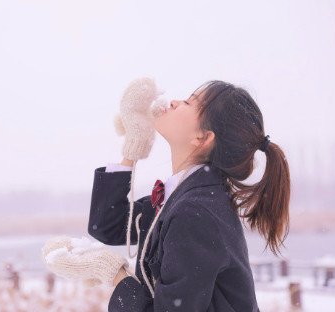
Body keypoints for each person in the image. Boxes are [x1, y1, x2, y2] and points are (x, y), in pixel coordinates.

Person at [43, 79, 290, 311]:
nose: (173, 102)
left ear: (202, 138)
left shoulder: (195, 213)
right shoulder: (185, 196)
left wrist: (113, 273)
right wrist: (134, 144)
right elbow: (109, 224)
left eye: (189, 102)